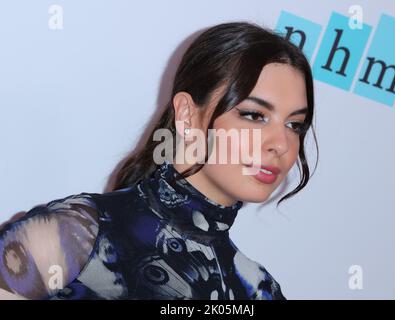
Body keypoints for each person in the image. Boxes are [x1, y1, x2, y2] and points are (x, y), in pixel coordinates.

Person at [0, 21, 317, 300]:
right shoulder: (75, 234)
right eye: (254, 115)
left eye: (294, 125)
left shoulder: (258, 289)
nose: (281, 143)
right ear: (187, 113)